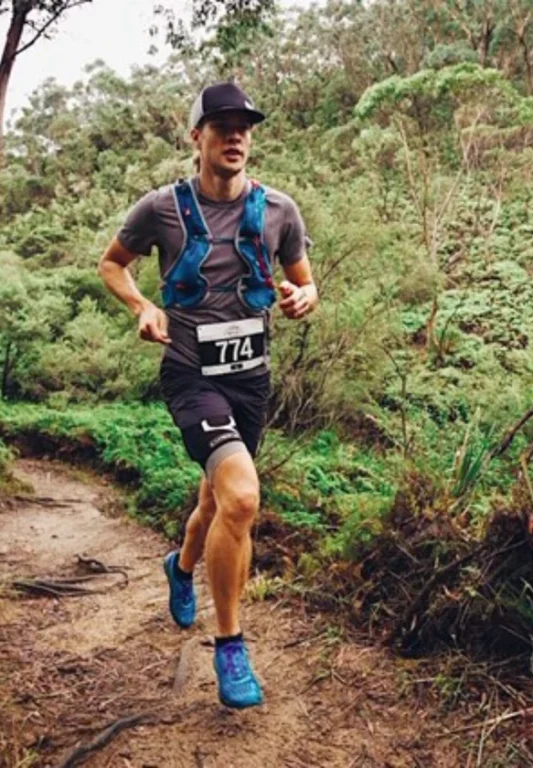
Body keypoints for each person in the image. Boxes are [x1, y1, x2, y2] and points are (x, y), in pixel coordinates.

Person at [98, 81, 318, 709]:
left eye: (243, 125)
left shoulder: (280, 210)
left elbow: (304, 280)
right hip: (192, 372)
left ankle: (182, 566)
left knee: (219, 502)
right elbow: (112, 264)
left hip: (250, 378)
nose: (235, 135)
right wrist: (142, 304)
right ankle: (230, 644)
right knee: (243, 497)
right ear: (196, 136)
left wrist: (305, 296)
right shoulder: (160, 209)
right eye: (220, 125)